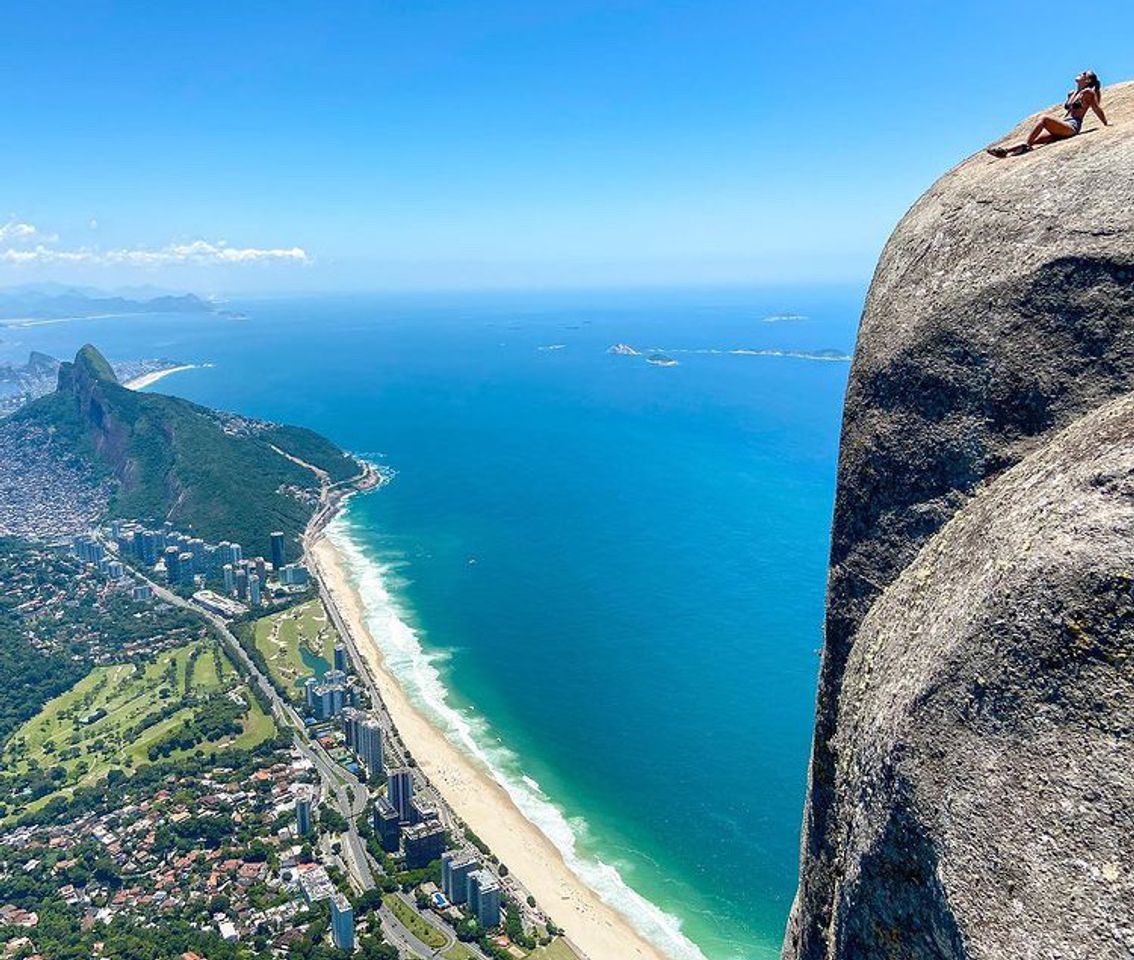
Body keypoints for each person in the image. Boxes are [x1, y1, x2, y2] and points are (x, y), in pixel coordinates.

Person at [988, 71, 1108, 158]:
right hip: (1063, 126)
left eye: (1083, 74)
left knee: (1044, 118)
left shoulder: (1088, 93)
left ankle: (1026, 146)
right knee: (1035, 139)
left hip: (1072, 126)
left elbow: (1096, 108)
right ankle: (1005, 151)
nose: (1080, 73)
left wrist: (1106, 124)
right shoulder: (1072, 93)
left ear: (1087, 81)